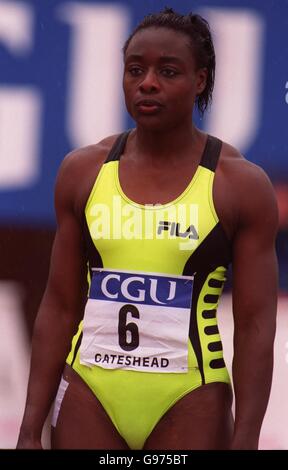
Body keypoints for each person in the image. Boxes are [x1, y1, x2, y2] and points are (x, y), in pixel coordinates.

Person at [17, 8, 278, 450]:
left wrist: (246, 438)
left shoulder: (239, 185)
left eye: (168, 71)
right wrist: (28, 431)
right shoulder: (83, 172)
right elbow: (60, 305)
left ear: (200, 80)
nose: (148, 83)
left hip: (190, 397)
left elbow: (255, 325)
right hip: (89, 391)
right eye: (135, 69)